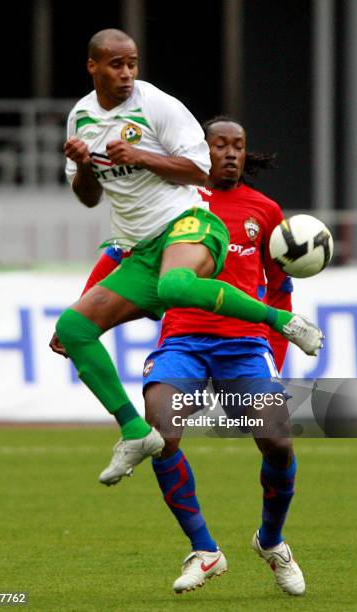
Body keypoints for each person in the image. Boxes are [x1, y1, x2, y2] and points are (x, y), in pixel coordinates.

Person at [53, 28, 323, 488]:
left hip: (191, 225)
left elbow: (200, 169)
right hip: (141, 249)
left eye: (132, 63)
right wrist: (82, 165)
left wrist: (139, 156)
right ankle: (135, 433)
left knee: (175, 287)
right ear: (92, 67)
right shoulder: (81, 118)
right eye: (116, 65)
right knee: (72, 330)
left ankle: (284, 323)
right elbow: (88, 196)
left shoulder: (158, 105)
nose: (126, 74)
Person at [142, 117, 305, 595]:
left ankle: (271, 542)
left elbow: (280, 291)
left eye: (238, 146)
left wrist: (276, 356)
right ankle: (205, 550)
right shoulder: (177, 203)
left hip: (245, 347)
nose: (231, 153)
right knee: (160, 432)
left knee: (277, 441)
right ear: (202, 149)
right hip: (184, 341)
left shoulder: (266, 211)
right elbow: (125, 255)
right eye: (220, 145)